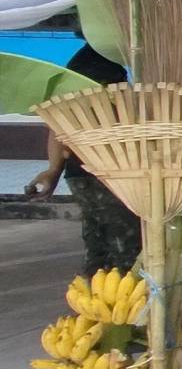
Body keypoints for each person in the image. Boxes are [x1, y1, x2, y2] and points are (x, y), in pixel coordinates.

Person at [25, 41, 140, 276]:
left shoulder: (84, 65)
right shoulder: (102, 68)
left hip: (84, 178)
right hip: (106, 179)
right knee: (125, 251)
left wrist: (53, 171)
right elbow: (58, 128)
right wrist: (52, 172)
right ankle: (117, 292)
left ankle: (98, 289)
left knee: (98, 246)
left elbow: (57, 127)